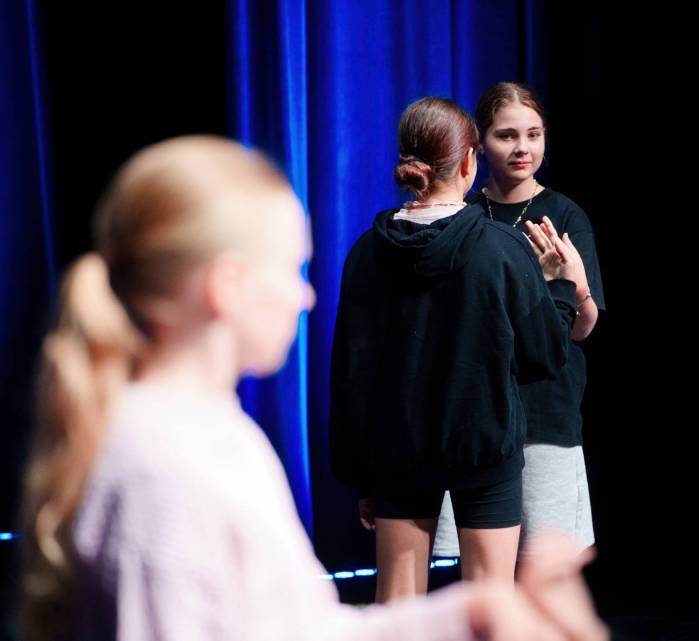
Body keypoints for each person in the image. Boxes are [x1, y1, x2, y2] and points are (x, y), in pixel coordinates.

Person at [19, 135, 606, 641]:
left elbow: (300, 626)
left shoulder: (216, 438)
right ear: (227, 285)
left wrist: (478, 612)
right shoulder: (166, 470)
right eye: (293, 270)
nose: (306, 297)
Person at [329, 98, 584, 601]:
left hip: (397, 455)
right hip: (485, 453)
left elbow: (350, 376)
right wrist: (560, 288)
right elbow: (543, 357)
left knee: (399, 610)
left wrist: (362, 477)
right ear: (469, 162)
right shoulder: (502, 249)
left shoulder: (367, 252)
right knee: (490, 609)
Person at [434, 82, 604, 559]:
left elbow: (583, 327)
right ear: (479, 144)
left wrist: (573, 284)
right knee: (482, 566)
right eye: (507, 136)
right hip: (476, 417)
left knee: (544, 564)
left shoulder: (564, 214)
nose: (522, 148)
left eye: (533, 134)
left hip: (545, 415)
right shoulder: (465, 215)